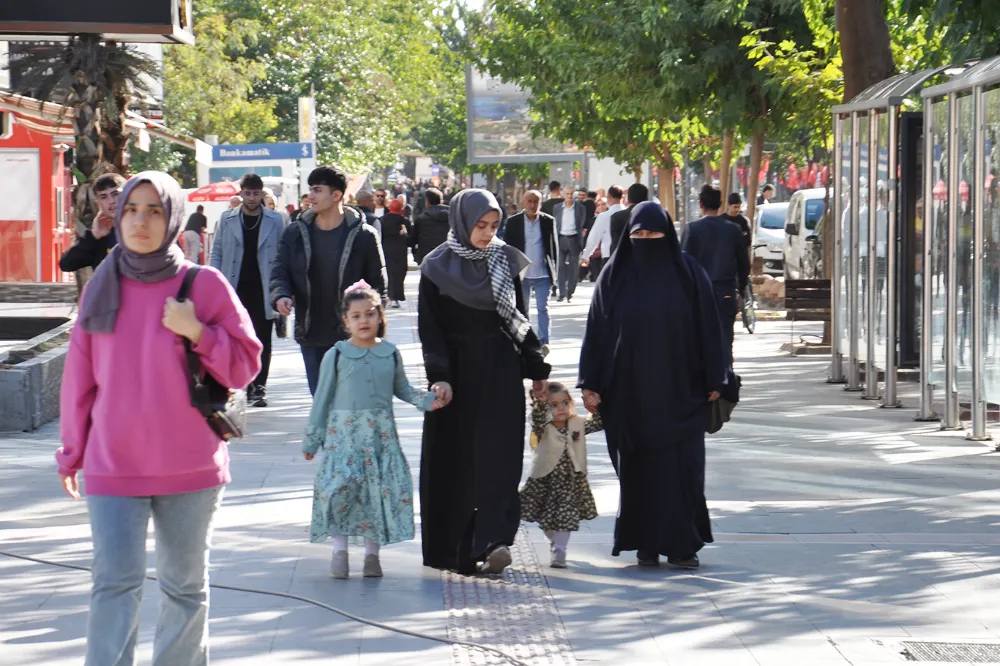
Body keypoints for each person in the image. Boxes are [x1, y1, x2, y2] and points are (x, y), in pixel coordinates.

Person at [56, 171, 262, 665]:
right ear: (117, 215)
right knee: (113, 586)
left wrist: (197, 331)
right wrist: (71, 454)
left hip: (189, 465)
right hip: (113, 463)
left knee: (185, 589)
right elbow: (79, 381)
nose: (140, 221)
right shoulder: (100, 289)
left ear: (171, 218)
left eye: (154, 210)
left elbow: (245, 364)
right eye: (131, 209)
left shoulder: (203, 284)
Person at [578, 201, 726, 569]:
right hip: (629, 395)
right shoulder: (614, 276)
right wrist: (590, 383)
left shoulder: (689, 274)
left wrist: (715, 377)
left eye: (654, 233)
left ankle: (681, 544)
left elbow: (711, 328)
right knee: (638, 469)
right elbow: (596, 331)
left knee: (683, 468)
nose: (645, 240)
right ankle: (644, 540)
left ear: (668, 235)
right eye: (638, 234)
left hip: (682, 393)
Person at [418, 189, 551, 575]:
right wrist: (439, 376)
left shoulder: (503, 260)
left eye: (493, 226)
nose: (487, 234)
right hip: (456, 379)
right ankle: (457, 547)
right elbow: (431, 330)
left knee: (499, 458)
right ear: (462, 221)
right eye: (480, 226)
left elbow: (518, 320)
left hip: (499, 372)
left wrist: (536, 367)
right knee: (456, 462)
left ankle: (493, 538)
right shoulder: (436, 266)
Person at [303, 281, 448, 579]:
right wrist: (313, 438)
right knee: (340, 492)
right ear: (345, 321)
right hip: (343, 439)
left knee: (375, 494)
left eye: (369, 314)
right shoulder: (337, 354)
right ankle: (339, 553)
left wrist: (430, 400)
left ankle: (372, 556)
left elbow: (403, 389)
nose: (363, 321)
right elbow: (322, 399)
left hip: (380, 439)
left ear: (380, 316)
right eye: (356, 316)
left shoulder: (390, 353)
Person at [271, 166, 387, 396]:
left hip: (353, 336)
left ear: (336, 196)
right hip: (311, 331)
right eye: (310, 190)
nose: (310, 196)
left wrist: (374, 327)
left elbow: (378, 285)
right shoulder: (295, 233)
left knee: (352, 402)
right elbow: (280, 269)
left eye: (317, 190)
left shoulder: (364, 236)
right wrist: (281, 294)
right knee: (322, 401)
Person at [211, 173, 284, 408]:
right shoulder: (227, 219)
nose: (252, 198)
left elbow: (283, 256)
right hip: (235, 289)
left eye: (256, 193)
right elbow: (217, 252)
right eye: (248, 193)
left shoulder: (276, 220)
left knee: (263, 340)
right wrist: (212, 284)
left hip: (264, 288)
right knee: (235, 338)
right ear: (241, 193)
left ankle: (259, 387)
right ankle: (239, 383)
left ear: (262, 194)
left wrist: (283, 287)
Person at [520, 382, 601, 568]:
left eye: (564, 403)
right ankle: (554, 541)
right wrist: (539, 403)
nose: (561, 408)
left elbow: (598, 422)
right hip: (544, 480)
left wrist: (595, 405)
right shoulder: (543, 427)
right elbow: (537, 418)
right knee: (546, 519)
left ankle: (560, 549)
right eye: (554, 405)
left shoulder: (576, 424)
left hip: (569, 481)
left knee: (566, 516)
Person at [681, 185, 750, 367]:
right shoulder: (733, 230)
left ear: (700, 204)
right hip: (725, 292)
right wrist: (741, 287)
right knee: (725, 340)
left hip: (698, 295)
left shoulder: (692, 229)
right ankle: (725, 379)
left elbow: (682, 265)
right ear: (720, 205)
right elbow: (743, 263)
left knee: (698, 339)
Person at [502, 190, 557, 353]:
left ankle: (543, 342)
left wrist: (555, 273)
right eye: (530, 201)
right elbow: (508, 249)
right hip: (522, 274)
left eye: (536, 202)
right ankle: (526, 342)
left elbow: (554, 249)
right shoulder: (513, 222)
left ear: (540, 203)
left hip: (543, 273)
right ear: (523, 203)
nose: (533, 205)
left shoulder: (548, 221)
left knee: (543, 308)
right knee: (522, 310)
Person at [60, 174, 126, 273]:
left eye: (115, 194)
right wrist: (93, 236)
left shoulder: (143, 229)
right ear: (98, 204)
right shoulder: (100, 239)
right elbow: (67, 264)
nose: (111, 201)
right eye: (104, 197)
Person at [553, 186, 587, 302]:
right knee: (560, 267)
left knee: (573, 268)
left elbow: (581, 222)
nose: (569, 196)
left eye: (571, 194)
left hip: (574, 238)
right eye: (567, 194)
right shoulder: (557, 208)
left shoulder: (580, 208)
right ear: (563, 194)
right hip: (561, 238)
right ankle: (561, 293)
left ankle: (570, 293)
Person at [582, 185, 623, 279]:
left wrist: (586, 255)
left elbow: (594, 237)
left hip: (608, 254)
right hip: (626, 256)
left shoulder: (604, 216)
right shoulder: (629, 213)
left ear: (608, 196)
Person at [381, 199, 412, 308]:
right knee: (399, 273)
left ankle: (391, 296)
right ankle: (397, 296)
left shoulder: (383, 220)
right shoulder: (404, 220)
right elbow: (410, 238)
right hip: (400, 250)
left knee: (390, 272)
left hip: (387, 249)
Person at [410, 187, 450, 265]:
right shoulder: (452, 218)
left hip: (426, 259)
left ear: (427, 203)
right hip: (446, 257)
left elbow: (412, 240)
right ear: (441, 202)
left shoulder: (421, 219)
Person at [610, 183, 649, 254]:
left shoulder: (617, 217)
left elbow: (615, 246)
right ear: (646, 198)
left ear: (628, 199)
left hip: (625, 261)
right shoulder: (654, 217)